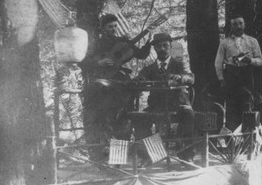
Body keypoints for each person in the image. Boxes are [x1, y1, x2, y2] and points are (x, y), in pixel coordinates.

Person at [82, 13, 152, 161]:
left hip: (120, 84)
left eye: (115, 26)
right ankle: (104, 156)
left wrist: (148, 42)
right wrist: (98, 63)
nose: (113, 29)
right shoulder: (96, 44)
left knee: (123, 119)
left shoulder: (123, 41)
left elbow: (141, 55)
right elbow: (84, 61)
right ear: (102, 28)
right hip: (103, 84)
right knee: (106, 119)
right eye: (109, 27)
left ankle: (121, 157)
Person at [136, 32, 195, 162]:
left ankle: (186, 154)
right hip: (157, 107)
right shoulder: (150, 69)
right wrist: (140, 80)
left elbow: (190, 77)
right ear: (154, 48)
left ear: (170, 46)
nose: (162, 49)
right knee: (140, 119)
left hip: (178, 105)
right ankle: (152, 155)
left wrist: (181, 77)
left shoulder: (179, 64)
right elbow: (140, 79)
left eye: (165, 46)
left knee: (189, 114)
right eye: (158, 46)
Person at [214, 14, 262, 131]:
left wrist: (250, 60)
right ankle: (232, 143)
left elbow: (260, 60)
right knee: (231, 108)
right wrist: (221, 79)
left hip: (247, 75)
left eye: (240, 23)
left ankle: (247, 142)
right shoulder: (225, 43)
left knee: (247, 106)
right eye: (235, 24)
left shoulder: (252, 41)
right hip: (231, 76)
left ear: (244, 24)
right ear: (231, 26)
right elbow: (218, 62)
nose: (238, 26)